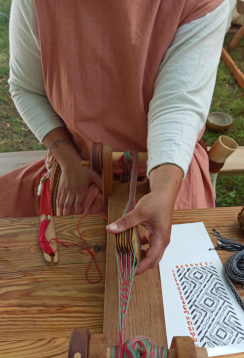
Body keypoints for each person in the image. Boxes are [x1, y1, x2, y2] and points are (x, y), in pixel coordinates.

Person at [1, 0, 229, 274]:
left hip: (169, 171)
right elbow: (27, 88)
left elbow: (177, 103)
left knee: (174, 277)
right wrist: (71, 163)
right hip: (79, 165)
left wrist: (164, 193)